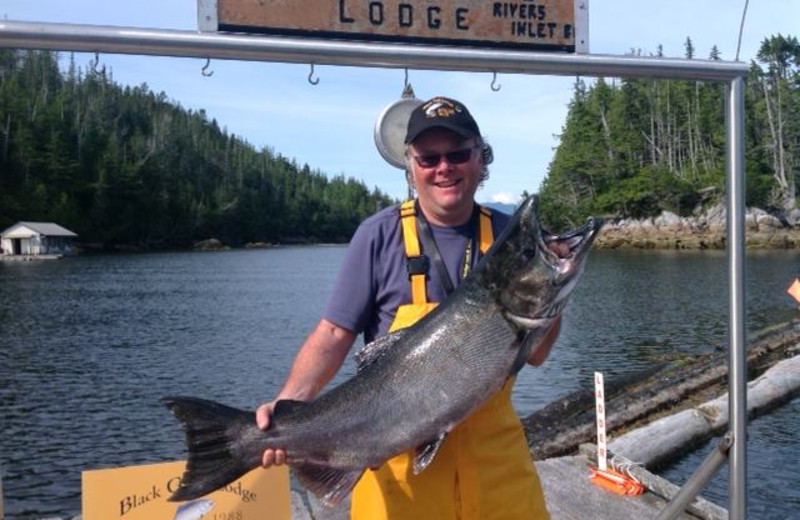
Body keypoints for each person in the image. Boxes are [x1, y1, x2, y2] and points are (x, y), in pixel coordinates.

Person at [256, 96, 560, 519]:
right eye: (429, 158)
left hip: (499, 480)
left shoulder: (512, 237)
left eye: (458, 154)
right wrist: (286, 406)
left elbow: (539, 352)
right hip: (398, 486)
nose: (444, 168)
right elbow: (333, 333)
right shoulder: (378, 236)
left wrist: (549, 287)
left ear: (480, 158)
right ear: (411, 167)